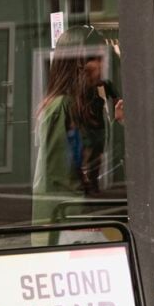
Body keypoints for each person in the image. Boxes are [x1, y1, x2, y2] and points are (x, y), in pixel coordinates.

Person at [32, 26, 123, 223]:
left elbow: (97, 161)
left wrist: (118, 124)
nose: (103, 64)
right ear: (77, 63)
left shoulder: (92, 102)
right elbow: (58, 180)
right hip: (67, 223)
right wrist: (82, 222)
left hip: (87, 214)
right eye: (96, 58)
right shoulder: (61, 108)